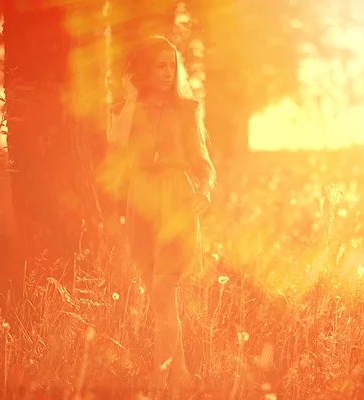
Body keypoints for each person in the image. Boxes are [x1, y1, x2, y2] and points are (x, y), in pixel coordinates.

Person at [106, 36, 216, 394]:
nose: (169, 73)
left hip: (177, 202)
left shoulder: (186, 109)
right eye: (160, 65)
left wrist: (204, 191)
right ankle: (181, 373)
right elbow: (117, 143)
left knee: (163, 290)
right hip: (140, 202)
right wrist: (133, 97)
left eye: (173, 65)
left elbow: (204, 164)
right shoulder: (124, 107)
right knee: (159, 298)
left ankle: (159, 379)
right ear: (142, 69)